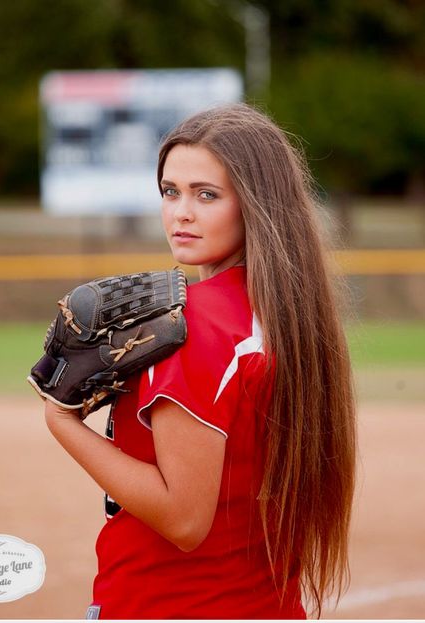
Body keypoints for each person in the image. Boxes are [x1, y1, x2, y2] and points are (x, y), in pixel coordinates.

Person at [44, 103, 356, 619]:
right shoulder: (286, 314)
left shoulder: (195, 327)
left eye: (206, 195)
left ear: (255, 205)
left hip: (170, 604)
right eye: (170, 191)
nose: (180, 212)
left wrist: (62, 420)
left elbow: (183, 518)